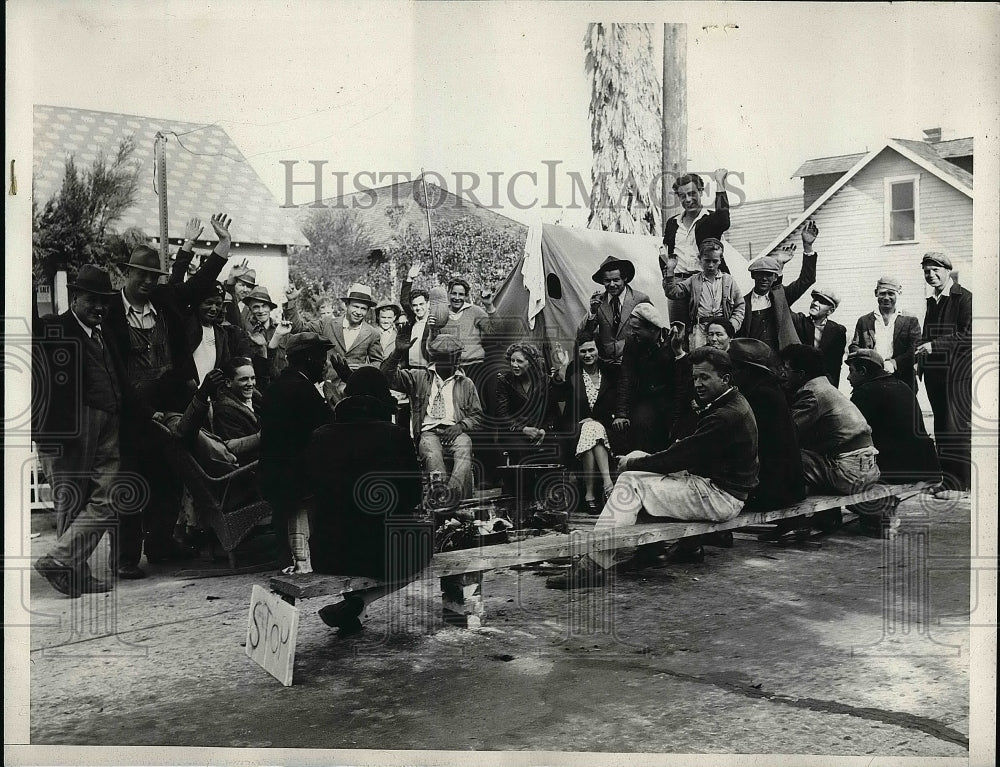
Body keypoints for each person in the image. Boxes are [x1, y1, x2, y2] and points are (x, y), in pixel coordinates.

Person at [547, 347, 758, 589]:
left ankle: (593, 565)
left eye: (705, 377)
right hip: (718, 486)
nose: (697, 384)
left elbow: (680, 458)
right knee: (638, 465)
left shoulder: (726, 415)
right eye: (695, 377)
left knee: (631, 481)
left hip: (720, 496)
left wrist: (632, 464)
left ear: (725, 379)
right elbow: (691, 452)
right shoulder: (732, 402)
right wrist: (645, 459)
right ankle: (651, 551)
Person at [102, 213, 234, 577]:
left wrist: (222, 245)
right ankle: (126, 557)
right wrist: (144, 411)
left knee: (168, 478)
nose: (147, 281)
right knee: (130, 482)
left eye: (152, 276)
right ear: (125, 274)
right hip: (132, 412)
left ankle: (160, 546)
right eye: (140, 275)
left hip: (170, 406)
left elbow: (200, 282)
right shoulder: (111, 312)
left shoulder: (164, 299)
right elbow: (113, 371)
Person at [305, 368, 430, 636]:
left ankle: (354, 609)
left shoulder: (319, 435)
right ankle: (361, 601)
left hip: (328, 553)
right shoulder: (395, 435)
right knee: (423, 545)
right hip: (380, 553)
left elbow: (310, 490)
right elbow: (412, 496)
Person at [32, 266, 127, 596]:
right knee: (71, 502)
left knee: (108, 495)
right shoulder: (54, 328)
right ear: (74, 298)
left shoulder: (104, 334)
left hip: (109, 423)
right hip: (72, 426)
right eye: (92, 300)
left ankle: (59, 561)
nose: (100, 307)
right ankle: (75, 574)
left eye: (105, 302)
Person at [259, 332, 336, 572]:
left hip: (273, 477)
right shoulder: (304, 391)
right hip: (297, 481)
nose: (324, 365)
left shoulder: (275, 388)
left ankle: (285, 559)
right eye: (321, 359)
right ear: (308, 359)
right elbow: (328, 429)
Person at [382, 333, 484, 504]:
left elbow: (477, 415)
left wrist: (461, 426)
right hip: (429, 432)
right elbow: (386, 378)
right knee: (432, 454)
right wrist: (398, 352)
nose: (453, 362)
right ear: (434, 357)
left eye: (455, 356)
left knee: (464, 449)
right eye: (446, 357)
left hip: (456, 431)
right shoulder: (419, 377)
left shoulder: (466, 383)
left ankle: (451, 500)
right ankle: (443, 499)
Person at [779, 344, 880, 496]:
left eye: (785, 369)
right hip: (868, 471)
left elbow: (786, 434)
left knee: (782, 456)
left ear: (801, 374)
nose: (782, 374)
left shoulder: (812, 394)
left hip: (849, 475)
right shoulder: (825, 387)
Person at [916, 252, 972, 496]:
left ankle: (961, 484)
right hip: (936, 375)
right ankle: (948, 481)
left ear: (948, 270)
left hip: (958, 374)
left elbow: (970, 334)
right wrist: (922, 358)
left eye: (935, 270)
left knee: (956, 428)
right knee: (941, 428)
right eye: (927, 271)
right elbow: (928, 335)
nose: (931, 275)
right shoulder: (933, 300)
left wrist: (934, 346)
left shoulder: (964, 298)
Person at [727, 338, 806, 512]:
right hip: (785, 486)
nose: (731, 374)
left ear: (746, 369)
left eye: (733, 368)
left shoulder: (760, 396)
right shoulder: (767, 390)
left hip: (773, 490)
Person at [846, 349, 940, 483]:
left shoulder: (865, 392)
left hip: (897, 470)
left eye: (851, 371)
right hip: (924, 466)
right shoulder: (902, 385)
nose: (848, 377)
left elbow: (851, 433)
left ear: (863, 371)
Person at [550, 333, 617, 512]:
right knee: (589, 428)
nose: (587, 355)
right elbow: (558, 396)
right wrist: (562, 368)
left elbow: (616, 402)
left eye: (591, 350)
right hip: (574, 428)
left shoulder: (609, 371)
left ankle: (589, 494)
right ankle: (608, 484)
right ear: (577, 353)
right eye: (582, 351)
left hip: (604, 429)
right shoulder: (573, 369)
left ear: (598, 350)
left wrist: (596, 421)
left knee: (592, 428)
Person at [285, 282, 383, 400]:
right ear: (347, 305)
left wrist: (363, 368)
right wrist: (291, 302)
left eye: (363, 309)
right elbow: (298, 329)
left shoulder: (372, 333)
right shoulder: (327, 323)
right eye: (355, 306)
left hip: (355, 393)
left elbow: (378, 363)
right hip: (326, 390)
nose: (358, 312)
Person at [614, 303, 690, 455]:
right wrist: (621, 413)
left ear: (653, 329)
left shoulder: (674, 342)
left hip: (670, 401)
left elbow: (681, 381)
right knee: (641, 424)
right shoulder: (632, 342)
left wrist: (676, 418)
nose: (631, 333)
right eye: (631, 328)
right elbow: (626, 378)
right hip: (645, 401)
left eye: (636, 329)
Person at [662, 169, 733, 323]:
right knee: (678, 332)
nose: (688, 199)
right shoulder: (673, 223)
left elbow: (724, 220)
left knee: (707, 330)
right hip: (678, 285)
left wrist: (720, 184)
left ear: (701, 192)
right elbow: (665, 253)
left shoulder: (710, 219)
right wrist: (668, 277)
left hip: (705, 281)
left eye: (692, 193)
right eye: (683, 196)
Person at [736, 220, 818, 352]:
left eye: (768, 275)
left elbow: (807, 279)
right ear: (753, 276)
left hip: (778, 361)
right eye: (759, 274)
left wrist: (807, 246)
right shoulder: (742, 303)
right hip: (751, 361)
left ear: (775, 277)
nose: (763, 278)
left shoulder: (782, 298)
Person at [661, 238, 745, 349]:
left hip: (721, 331)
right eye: (707, 260)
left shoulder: (728, 281)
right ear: (700, 259)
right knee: (700, 361)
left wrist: (731, 326)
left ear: (721, 260)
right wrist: (670, 271)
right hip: (700, 331)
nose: (711, 265)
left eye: (715, 261)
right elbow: (673, 293)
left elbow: (740, 306)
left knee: (721, 360)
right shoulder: (694, 280)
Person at [494, 342, 563, 465]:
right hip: (513, 433)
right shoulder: (504, 381)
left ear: (531, 363)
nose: (514, 365)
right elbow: (502, 415)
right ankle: (523, 484)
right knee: (520, 449)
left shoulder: (545, 381)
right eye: (512, 360)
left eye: (519, 361)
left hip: (540, 431)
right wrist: (523, 429)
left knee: (559, 446)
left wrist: (544, 430)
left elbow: (553, 412)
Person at [849, 276, 922, 392]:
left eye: (891, 294)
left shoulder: (910, 320)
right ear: (876, 293)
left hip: (903, 379)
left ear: (898, 294)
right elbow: (854, 346)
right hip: (871, 379)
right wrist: (868, 361)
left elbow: (916, 350)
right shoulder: (864, 320)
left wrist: (894, 363)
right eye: (882, 293)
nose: (886, 298)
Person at [578, 256, 652, 366]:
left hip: (633, 364)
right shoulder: (598, 301)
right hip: (605, 365)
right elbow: (583, 334)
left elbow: (651, 332)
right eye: (607, 281)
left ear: (625, 278)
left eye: (616, 280)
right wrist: (592, 312)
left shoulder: (640, 299)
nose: (612, 285)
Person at [791, 288, 847, 387]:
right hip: (800, 382)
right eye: (814, 299)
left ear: (830, 311)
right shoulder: (799, 321)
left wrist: (831, 388)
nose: (815, 303)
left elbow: (835, 366)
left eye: (821, 302)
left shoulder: (838, 331)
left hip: (823, 384)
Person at [242, 286, 291, 391]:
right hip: (259, 388)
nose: (261, 311)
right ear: (250, 309)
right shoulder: (247, 333)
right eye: (256, 307)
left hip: (283, 386)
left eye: (264, 306)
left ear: (270, 308)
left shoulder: (281, 330)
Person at [211, 356, 262, 455]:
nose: (250, 383)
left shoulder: (255, 399)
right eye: (244, 379)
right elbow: (233, 451)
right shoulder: (224, 412)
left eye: (253, 378)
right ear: (228, 382)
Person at [400, 262, 432, 369]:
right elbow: (404, 301)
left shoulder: (434, 321)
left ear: (428, 304)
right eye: (415, 305)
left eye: (421, 304)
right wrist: (409, 278)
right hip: (410, 368)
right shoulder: (412, 320)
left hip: (427, 368)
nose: (418, 308)